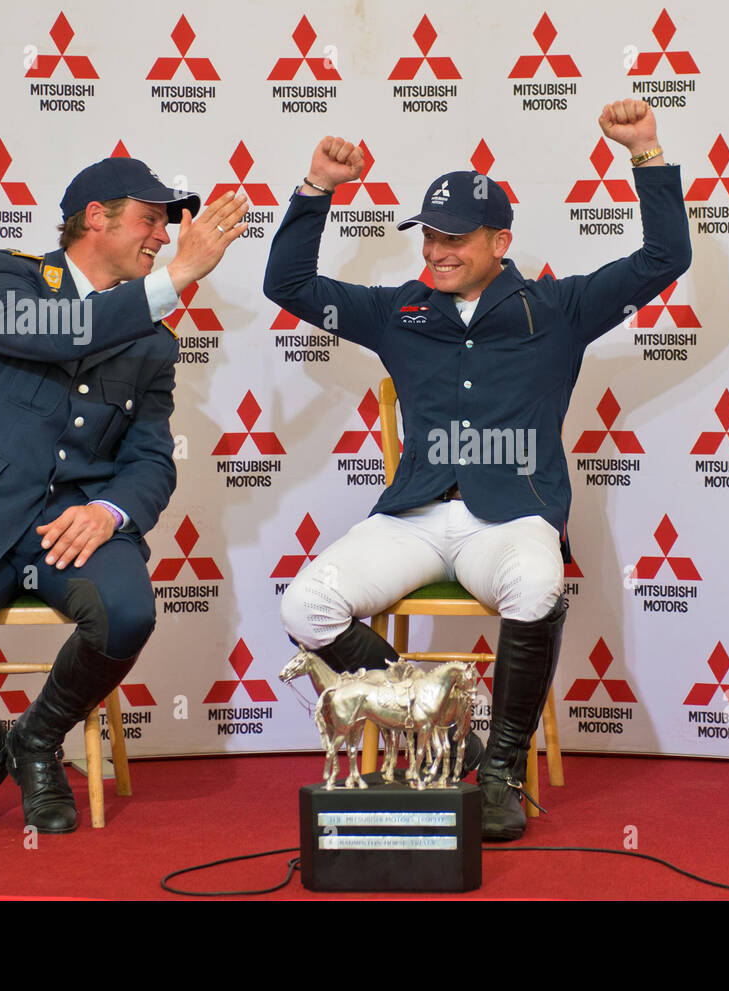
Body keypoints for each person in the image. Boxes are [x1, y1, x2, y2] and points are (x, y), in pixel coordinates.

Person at [264, 99, 691, 840]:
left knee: (537, 581)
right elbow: (289, 287)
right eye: (430, 235)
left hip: (511, 517)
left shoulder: (557, 307)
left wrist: (646, 153)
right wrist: (315, 189)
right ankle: (454, 733)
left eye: (455, 238)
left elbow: (664, 260)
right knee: (305, 606)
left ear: (500, 240)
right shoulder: (399, 310)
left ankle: (499, 769)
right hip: (417, 515)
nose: (437, 250)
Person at [0, 158, 248, 833]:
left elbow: (150, 459)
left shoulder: (155, 342)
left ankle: (35, 741)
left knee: (128, 613)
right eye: (151, 219)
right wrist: (177, 280)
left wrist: (109, 511)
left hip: (74, 526)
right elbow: (62, 330)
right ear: (96, 218)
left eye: (168, 225)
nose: (163, 237)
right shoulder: (6, 277)